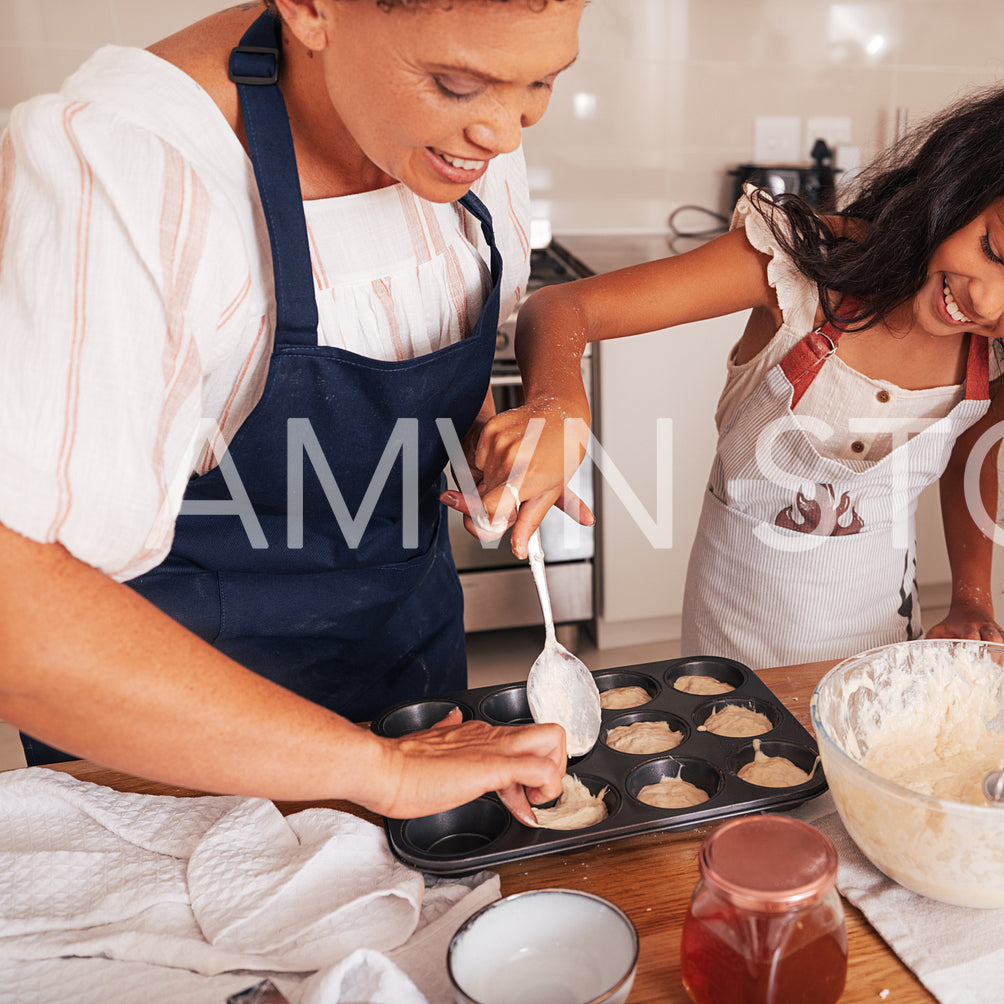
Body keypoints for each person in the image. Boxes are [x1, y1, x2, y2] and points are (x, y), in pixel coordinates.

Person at [0, 0, 591, 824]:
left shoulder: (447, 138)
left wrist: (496, 441)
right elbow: (19, 618)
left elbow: (420, 348)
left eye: (540, 84)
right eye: (458, 84)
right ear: (314, 10)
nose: (505, 133)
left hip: (412, 657)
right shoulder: (128, 164)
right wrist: (375, 770)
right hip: (185, 729)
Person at [462, 74, 1004, 670]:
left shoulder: (999, 349)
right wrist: (559, 405)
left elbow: (971, 452)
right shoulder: (802, 264)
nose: (988, 301)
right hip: (734, 637)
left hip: (880, 641)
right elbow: (561, 309)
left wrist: (972, 597)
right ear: (965, 181)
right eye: (996, 251)